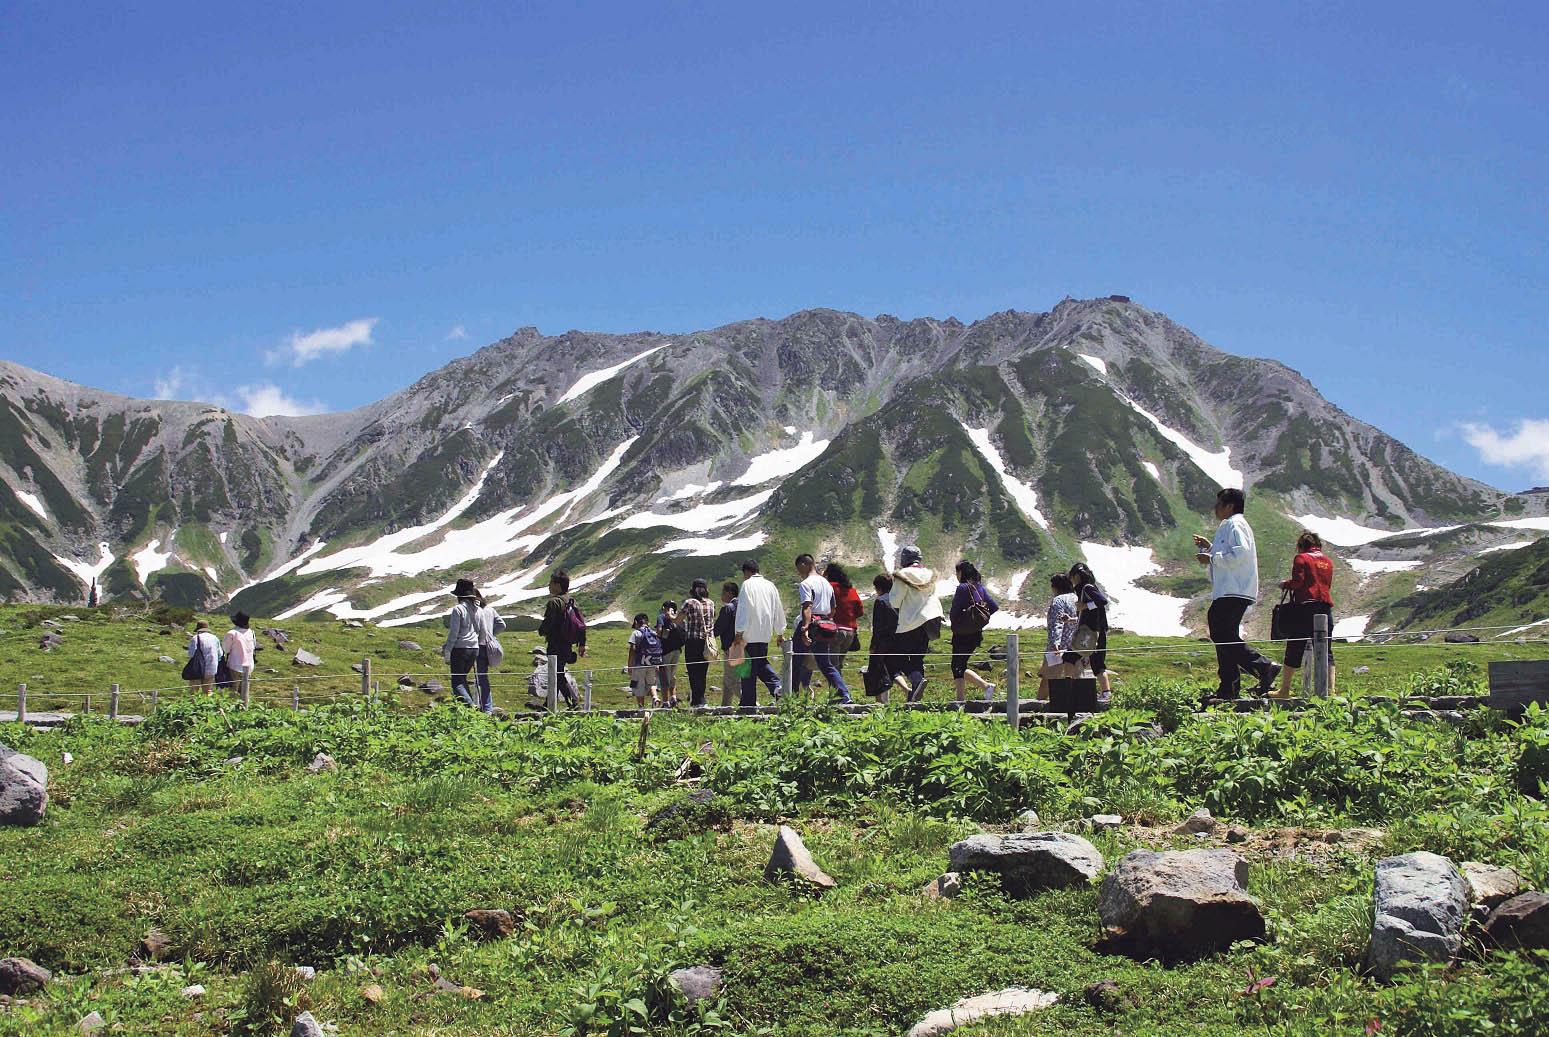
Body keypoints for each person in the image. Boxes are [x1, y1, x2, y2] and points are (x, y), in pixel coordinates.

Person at [1193, 488, 1280, 698]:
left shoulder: (1235, 523)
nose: (1215, 508)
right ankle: (1229, 688)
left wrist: (1211, 558)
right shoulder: (1230, 525)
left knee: (1220, 633)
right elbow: (1232, 551)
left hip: (1233, 589)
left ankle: (1262, 666)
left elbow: (1240, 553)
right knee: (1225, 635)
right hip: (1231, 590)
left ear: (1229, 506)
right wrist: (1211, 547)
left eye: (1219, 504)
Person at [1277, 530, 1336, 697]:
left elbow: (1298, 582)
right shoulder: (1328, 561)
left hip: (1305, 608)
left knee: (1295, 646)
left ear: (1302, 545)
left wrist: (1284, 584)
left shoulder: (1301, 558)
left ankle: (1285, 690)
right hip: (1324, 607)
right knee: (1326, 650)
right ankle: (1331, 691)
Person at [794, 553, 852, 703]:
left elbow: (807, 606)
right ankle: (844, 694)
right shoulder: (827, 584)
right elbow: (833, 608)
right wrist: (827, 621)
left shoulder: (806, 584)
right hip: (825, 624)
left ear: (803, 565)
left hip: (812, 622)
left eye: (798, 569)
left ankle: (792, 697)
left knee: (796, 660)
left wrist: (805, 628)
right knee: (825, 663)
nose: (799, 573)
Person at [890, 545, 945, 702]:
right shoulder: (929, 574)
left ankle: (916, 681)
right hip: (929, 621)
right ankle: (915, 695)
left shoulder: (902, 575)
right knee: (917, 658)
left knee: (896, 657)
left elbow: (895, 600)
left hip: (910, 622)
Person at [732, 558, 785, 706]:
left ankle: (748, 703)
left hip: (749, 635)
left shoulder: (747, 585)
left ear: (746, 572)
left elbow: (743, 609)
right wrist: (780, 632)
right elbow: (778, 609)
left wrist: (738, 633)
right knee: (760, 663)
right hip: (764, 634)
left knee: (748, 670)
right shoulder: (770, 586)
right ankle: (776, 687)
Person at [948, 560, 1000, 703]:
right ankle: (966, 696)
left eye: (957, 572)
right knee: (960, 665)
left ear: (961, 573)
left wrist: (962, 619)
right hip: (975, 633)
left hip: (961, 634)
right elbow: (993, 607)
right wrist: (976, 620)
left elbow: (954, 613)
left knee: (957, 665)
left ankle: (974, 692)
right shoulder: (979, 587)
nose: (956, 575)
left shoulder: (963, 588)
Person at [863, 573, 912, 701]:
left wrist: (873, 645)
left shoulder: (880, 601)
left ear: (878, 587)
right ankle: (907, 690)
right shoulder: (898, 600)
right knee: (893, 669)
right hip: (898, 639)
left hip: (883, 642)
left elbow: (878, 626)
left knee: (877, 670)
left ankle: (880, 701)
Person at [537, 569, 588, 691]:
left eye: (551, 583)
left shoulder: (554, 602)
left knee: (557, 675)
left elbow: (549, 622)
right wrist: (582, 643)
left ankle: (573, 703)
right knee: (557, 672)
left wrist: (541, 631)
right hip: (567, 644)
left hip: (555, 644)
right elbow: (580, 623)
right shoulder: (571, 601)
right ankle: (548, 704)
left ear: (557, 585)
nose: (549, 586)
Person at [1068, 562, 1113, 695]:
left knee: (1096, 662)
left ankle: (1105, 692)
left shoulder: (1087, 588)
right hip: (1089, 632)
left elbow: (1102, 601)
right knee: (1078, 658)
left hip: (1094, 633)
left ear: (1076, 576)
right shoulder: (1084, 589)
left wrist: (1085, 606)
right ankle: (1080, 690)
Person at [442, 578, 482, 707]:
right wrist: (476, 643)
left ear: (459, 595)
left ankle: (471, 707)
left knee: (457, 682)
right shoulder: (479, 611)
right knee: (462, 678)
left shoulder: (458, 610)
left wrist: (447, 651)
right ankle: (470, 708)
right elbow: (483, 632)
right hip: (474, 648)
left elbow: (454, 633)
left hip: (460, 648)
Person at [1041, 572, 1078, 699]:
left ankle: (1038, 705)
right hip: (1076, 645)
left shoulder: (1059, 600)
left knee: (1049, 677)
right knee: (1074, 676)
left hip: (1060, 645)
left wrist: (1055, 642)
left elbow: (1056, 622)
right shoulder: (1077, 598)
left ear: (1055, 587)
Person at [680, 580, 716, 707]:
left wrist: (669, 615)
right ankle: (701, 699)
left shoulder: (689, 603)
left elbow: (678, 620)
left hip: (692, 641)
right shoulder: (711, 603)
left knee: (693, 671)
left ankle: (697, 701)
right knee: (702, 671)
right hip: (707, 642)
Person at [825, 563, 865, 668]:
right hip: (850, 632)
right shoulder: (852, 590)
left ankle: (838, 684)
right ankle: (839, 683)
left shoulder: (830, 587)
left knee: (831, 666)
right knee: (838, 664)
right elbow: (860, 611)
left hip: (835, 630)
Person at [474, 596, 508, 714]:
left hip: (476, 645)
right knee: (483, 677)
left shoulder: (475, 610)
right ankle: (487, 707)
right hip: (488, 646)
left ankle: (480, 706)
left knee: (477, 676)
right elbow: (502, 625)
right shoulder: (490, 609)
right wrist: (492, 634)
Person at [627, 612, 664, 708]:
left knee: (638, 686)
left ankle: (641, 708)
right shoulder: (653, 633)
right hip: (652, 662)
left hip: (639, 664)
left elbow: (632, 649)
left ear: (636, 622)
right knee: (651, 683)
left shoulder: (636, 633)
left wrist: (630, 665)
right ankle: (655, 697)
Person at [656, 600, 685, 707]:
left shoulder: (662, 617)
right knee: (672, 674)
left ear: (664, 608)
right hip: (677, 649)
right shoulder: (678, 617)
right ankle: (673, 697)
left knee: (664, 675)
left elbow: (659, 631)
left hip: (666, 650)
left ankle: (665, 702)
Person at [221, 611, 257, 693]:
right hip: (249, 666)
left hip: (235, 665)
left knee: (233, 691)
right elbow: (254, 646)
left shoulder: (232, 633)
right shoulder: (251, 632)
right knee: (244, 691)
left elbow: (225, 649)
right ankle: (244, 705)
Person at [185, 620, 221, 694]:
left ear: (198, 630)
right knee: (208, 691)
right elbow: (220, 654)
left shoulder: (195, 638)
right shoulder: (215, 638)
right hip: (212, 668)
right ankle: (208, 704)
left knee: (193, 690)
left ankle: (193, 704)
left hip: (197, 668)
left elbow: (191, 654)